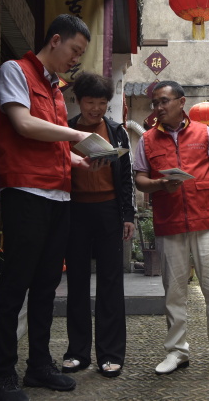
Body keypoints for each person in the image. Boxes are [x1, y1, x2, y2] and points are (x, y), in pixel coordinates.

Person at [0, 14, 104, 401]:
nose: (76, 59)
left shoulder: (56, 89)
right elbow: (23, 124)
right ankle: (3, 376)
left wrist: (79, 160)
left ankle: (38, 365)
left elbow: (51, 144)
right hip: (26, 193)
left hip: (59, 196)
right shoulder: (15, 70)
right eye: (74, 50)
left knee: (46, 286)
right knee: (14, 285)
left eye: (81, 54)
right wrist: (76, 134)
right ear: (55, 40)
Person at [133, 80, 209, 376]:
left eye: (164, 101)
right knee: (173, 291)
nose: (158, 107)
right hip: (169, 222)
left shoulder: (204, 133)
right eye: (155, 102)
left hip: (205, 220)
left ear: (181, 103)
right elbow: (140, 179)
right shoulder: (147, 139)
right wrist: (159, 183)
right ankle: (176, 351)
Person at [61, 72, 135, 378]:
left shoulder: (117, 131)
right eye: (91, 102)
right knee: (77, 281)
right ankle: (77, 353)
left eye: (102, 103)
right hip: (75, 210)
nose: (96, 109)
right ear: (78, 101)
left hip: (108, 211)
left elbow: (126, 175)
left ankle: (111, 354)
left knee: (111, 282)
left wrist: (128, 215)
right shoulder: (66, 130)